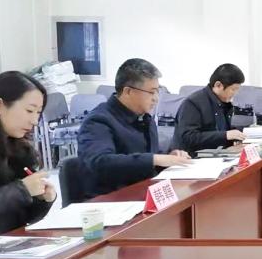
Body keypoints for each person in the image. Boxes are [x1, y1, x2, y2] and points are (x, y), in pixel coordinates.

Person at [77, 59, 190, 199]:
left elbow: (146, 157)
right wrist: (155, 159)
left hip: (144, 193)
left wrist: (169, 157)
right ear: (128, 91)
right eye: (151, 92)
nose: (156, 99)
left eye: (158, 91)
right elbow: (100, 162)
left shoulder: (144, 118)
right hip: (111, 200)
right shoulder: (98, 121)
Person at [0, 71, 57, 239]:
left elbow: (22, 219)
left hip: (8, 245)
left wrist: (41, 200)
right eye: (29, 110)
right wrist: (22, 191)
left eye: (38, 113)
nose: (35, 121)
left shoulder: (17, 148)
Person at [171, 63, 247, 155]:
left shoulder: (224, 103)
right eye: (233, 89)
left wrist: (238, 137)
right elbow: (189, 137)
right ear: (218, 85)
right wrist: (226, 135)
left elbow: (223, 131)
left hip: (217, 153)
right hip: (191, 157)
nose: (235, 93)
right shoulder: (192, 103)